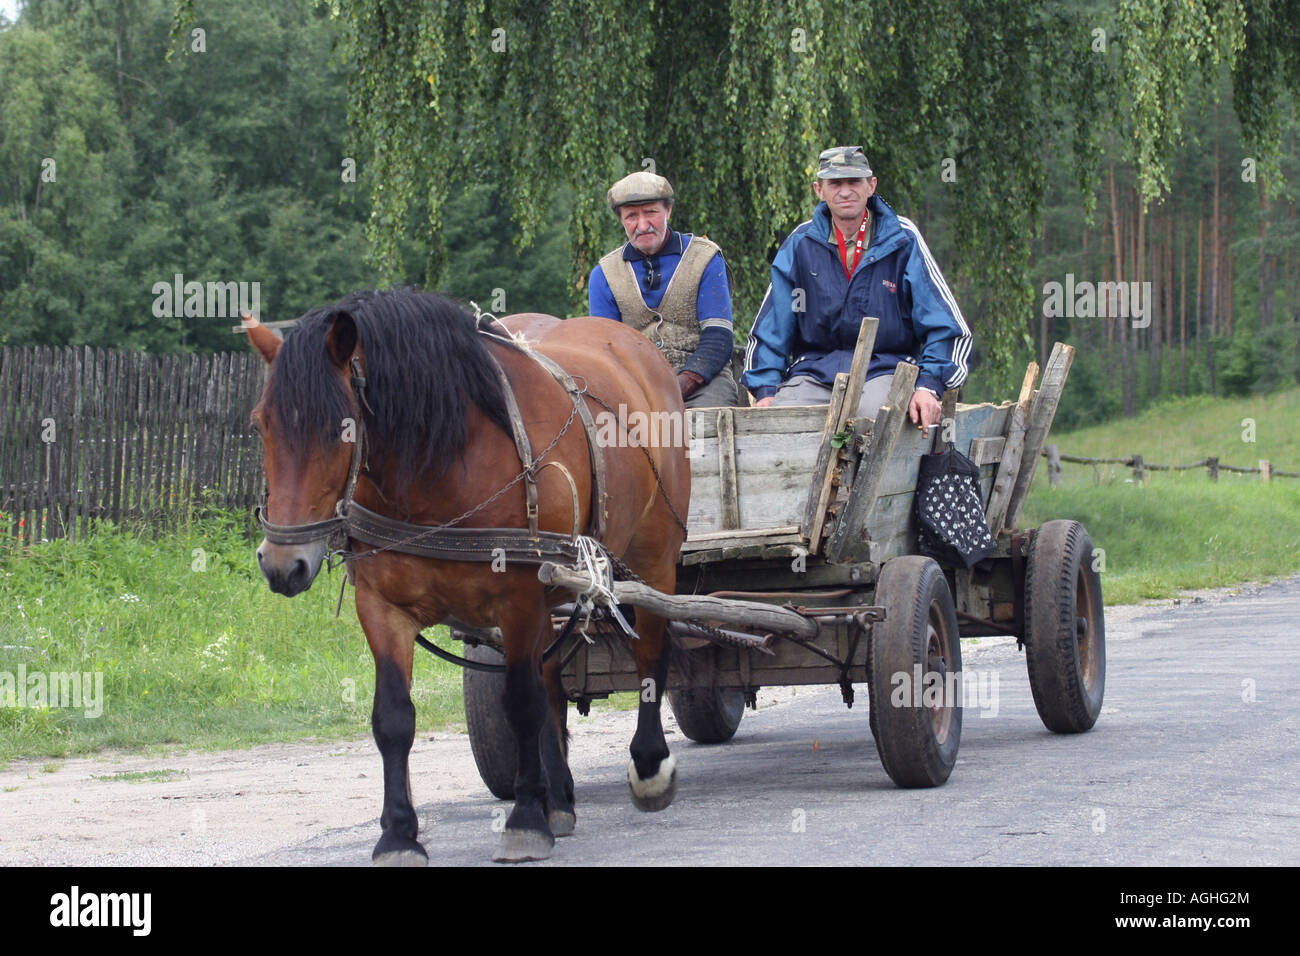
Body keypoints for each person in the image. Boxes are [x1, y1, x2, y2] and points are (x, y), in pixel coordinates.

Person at [743, 146, 970, 435]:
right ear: (819, 190)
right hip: (814, 371)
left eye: (854, 182)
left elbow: (946, 326)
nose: (845, 191)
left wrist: (929, 386)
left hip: (885, 370)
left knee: (871, 424)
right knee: (781, 426)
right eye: (835, 183)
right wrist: (765, 389)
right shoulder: (801, 243)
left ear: (871, 186)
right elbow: (771, 328)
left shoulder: (903, 239)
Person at [588, 171, 740, 407]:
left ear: (668, 211)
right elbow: (604, 351)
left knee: (706, 430)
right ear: (620, 219)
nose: (642, 225)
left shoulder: (706, 258)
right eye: (631, 216)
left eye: (651, 213)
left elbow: (719, 338)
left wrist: (676, 388)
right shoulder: (604, 275)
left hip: (704, 382)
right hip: (634, 386)